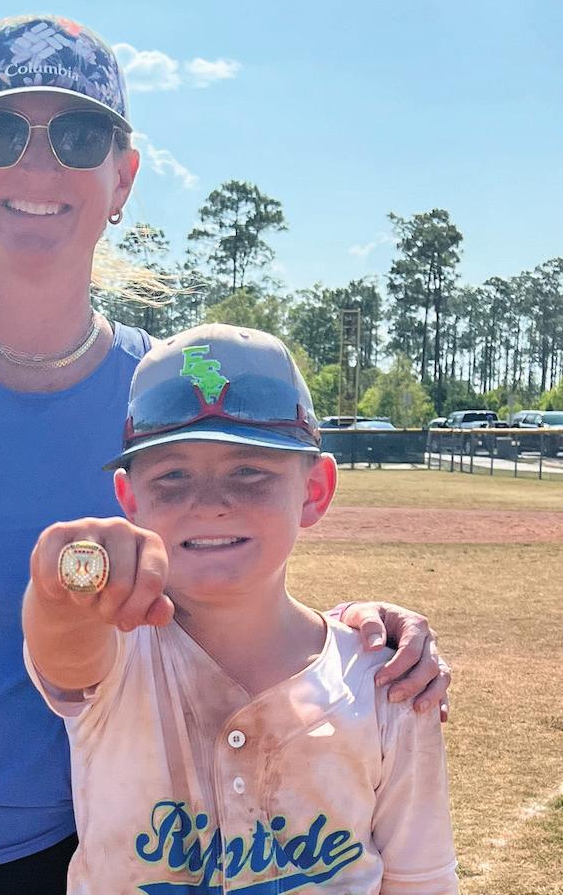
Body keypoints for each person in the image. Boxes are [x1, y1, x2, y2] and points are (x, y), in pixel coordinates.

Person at [0, 15, 452, 895]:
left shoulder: (167, 391)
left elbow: (229, 585)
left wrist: (367, 634)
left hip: (142, 854)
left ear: (121, 176)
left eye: (79, 136)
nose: (38, 165)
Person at [24, 323, 459, 894]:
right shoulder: (116, 654)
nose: (210, 504)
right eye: (173, 476)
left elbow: (420, 878)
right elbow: (65, 645)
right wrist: (63, 578)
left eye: (250, 471)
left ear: (314, 490)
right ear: (130, 498)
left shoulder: (385, 679)